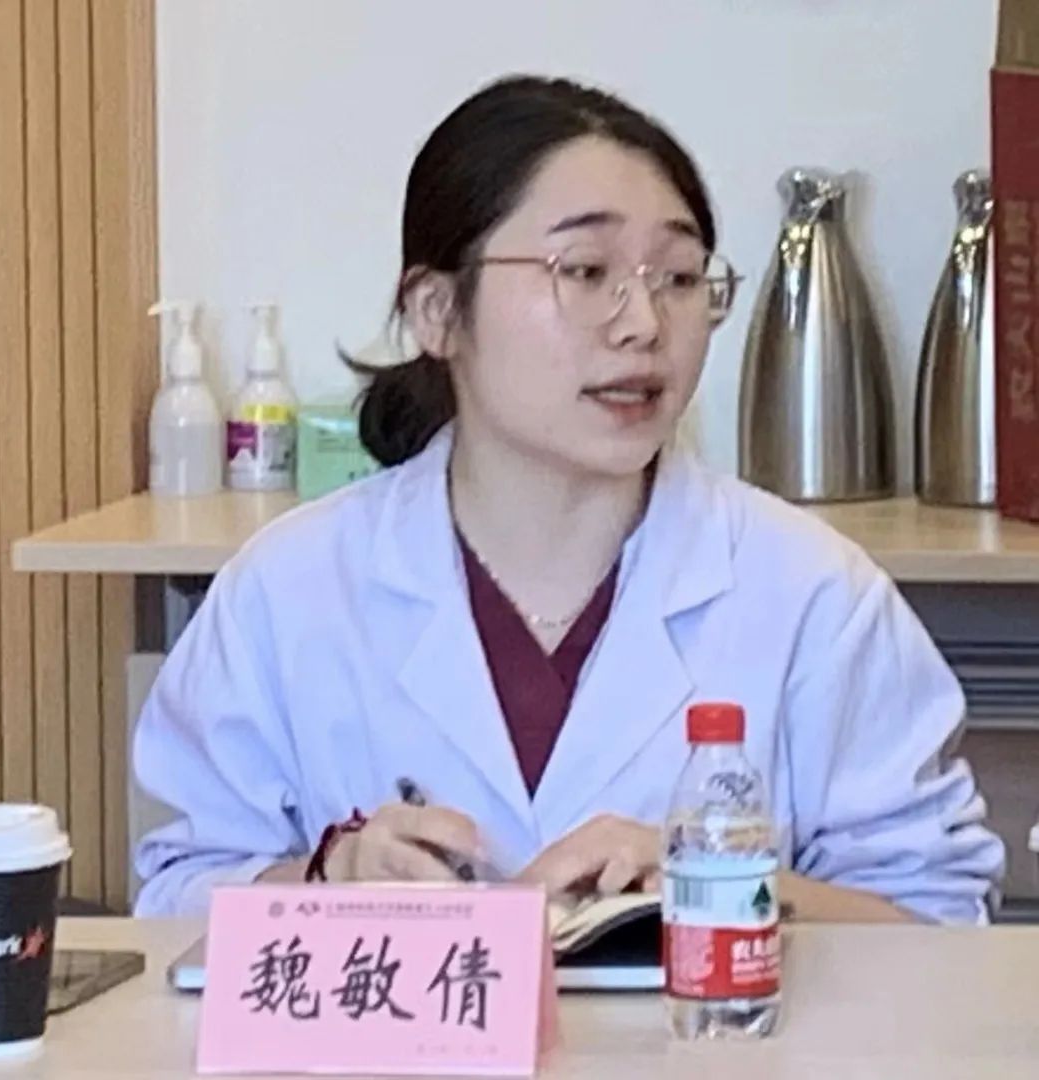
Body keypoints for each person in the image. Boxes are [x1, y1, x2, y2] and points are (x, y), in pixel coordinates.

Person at [134, 75, 1004, 923]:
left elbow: (938, 921)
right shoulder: (289, 589)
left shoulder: (812, 593)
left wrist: (720, 884)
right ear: (437, 310)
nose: (644, 324)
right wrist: (329, 879)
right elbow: (175, 895)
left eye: (679, 278)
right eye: (586, 270)